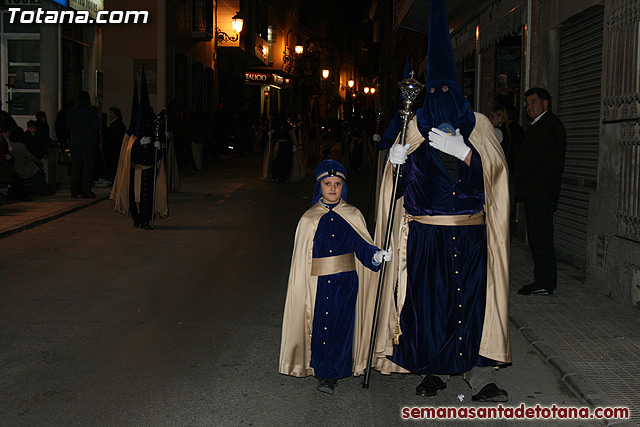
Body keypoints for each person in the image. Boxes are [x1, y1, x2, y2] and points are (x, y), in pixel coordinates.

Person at [367, 0, 511, 402]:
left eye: (449, 89)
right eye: (436, 91)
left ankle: (478, 376)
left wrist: (466, 153)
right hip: (427, 241)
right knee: (431, 309)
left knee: (471, 305)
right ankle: (435, 370)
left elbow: (497, 183)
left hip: (470, 239)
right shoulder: (414, 128)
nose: (442, 97)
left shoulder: (478, 128)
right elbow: (396, 194)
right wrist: (394, 163)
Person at [279, 159, 391, 395]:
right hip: (317, 284)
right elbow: (303, 258)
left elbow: (360, 245)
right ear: (319, 186)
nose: (332, 188)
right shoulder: (309, 218)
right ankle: (324, 372)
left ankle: (336, 371)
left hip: (345, 283)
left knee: (341, 327)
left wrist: (375, 255)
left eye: (337, 184)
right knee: (321, 327)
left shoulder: (352, 215)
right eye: (327, 183)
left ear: (344, 187)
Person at [516, 87, 567, 296]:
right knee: (537, 237)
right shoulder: (537, 126)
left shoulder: (550, 125)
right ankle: (542, 280)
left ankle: (545, 282)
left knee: (541, 238)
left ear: (546, 104)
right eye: (527, 104)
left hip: (542, 191)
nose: (529, 107)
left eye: (534, 102)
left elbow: (549, 162)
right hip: (535, 191)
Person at [66, 91, 100, 198]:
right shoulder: (89, 111)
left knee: (76, 167)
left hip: (75, 142)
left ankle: (74, 189)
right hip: (87, 142)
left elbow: (67, 126)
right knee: (87, 167)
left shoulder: (72, 111)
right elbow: (95, 126)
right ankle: (86, 190)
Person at [102, 107, 127, 180]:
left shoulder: (116, 125)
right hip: (114, 149)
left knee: (113, 166)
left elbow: (113, 138)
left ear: (115, 114)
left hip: (113, 150)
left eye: (111, 112)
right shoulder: (118, 124)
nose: (109, 115)